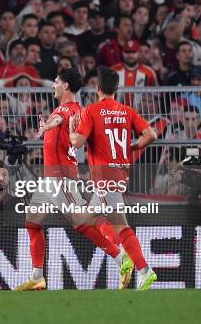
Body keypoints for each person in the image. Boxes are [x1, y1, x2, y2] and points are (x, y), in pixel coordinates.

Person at [15, 68, 129, 291]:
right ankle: (37, 276)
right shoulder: (63, 108)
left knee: (82, 222)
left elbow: (61, 119)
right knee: (32, 222)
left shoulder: (72, 110)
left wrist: (49, 124)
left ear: (65, 85)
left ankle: (120, 257)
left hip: (62, 178)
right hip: (50, 178)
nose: (53, 85)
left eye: (56, 81)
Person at [69, 66, 158, 290]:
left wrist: (71, 129)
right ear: (116, 89)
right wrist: (132, 147)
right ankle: (122, 258)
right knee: (85, 219)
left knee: (121, 226)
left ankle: (144, 270)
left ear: (97, 88)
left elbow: (77, 142)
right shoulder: (127, 111)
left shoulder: (91, 111)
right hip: (119, 172)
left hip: (104, 176)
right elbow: (151, 135)